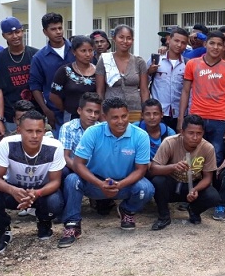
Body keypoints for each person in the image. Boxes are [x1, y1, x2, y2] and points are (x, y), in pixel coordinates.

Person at [58, 98, 155, 247]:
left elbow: (141, 169)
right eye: (115, 117)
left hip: (124, 183)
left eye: (124, 116)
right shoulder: (93, 132)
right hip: (95, 182)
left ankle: (127, 210)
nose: (121, 121)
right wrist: (100, 184)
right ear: (105, 117)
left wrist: (120, 184)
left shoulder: (140, 135)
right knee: (72, 180)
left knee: (146, 189)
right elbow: (78, 164)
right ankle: (72, 224)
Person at [0, 110, 65, 254]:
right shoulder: (7, 144)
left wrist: (37, 193)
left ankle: (44, 221)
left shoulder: (55, 146)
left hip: (40, 191)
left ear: (44, 131)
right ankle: (1, 231)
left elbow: (55, 182)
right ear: (19, 130)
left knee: (55, 201)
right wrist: (12, 190)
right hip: (13, 190)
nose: (34, 136)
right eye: (29, 131)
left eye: (39, 131)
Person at [148, 114, 221, 229]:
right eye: (191, 133)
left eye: (199, 133)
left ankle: (194, 210)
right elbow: (153, 169)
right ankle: (164, 216)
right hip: (172, 183)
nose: (195, 137)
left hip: (192, 185)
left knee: (213, 196)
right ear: (182, 132)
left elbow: (208, 177)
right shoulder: (170, 142)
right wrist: (173, 167)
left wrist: (195, 189)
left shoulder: (208, 148)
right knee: (158, 181)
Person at [179, 31, 225, 167]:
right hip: (196, 117)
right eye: (212, 43)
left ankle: (213, 181)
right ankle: (195, 181)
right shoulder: (192, 64)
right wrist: (181, 118)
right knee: (194, 155)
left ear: (223, 46)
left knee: (217, 155)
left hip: (220, 119)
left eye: (219, 44)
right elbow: (185, 91)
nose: (215, 47)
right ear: (205, 44)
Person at [29, 13, 74, 133]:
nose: (58, 32)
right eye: (53, 29)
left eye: (60, 28)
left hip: (79, 110)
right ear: (45, 32)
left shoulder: (76, 50)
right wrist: (46, 111)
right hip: (55, 113)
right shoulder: (39, 58)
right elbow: (35, 86)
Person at [0, 17, 39, 134]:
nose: (15, 36)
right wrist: (0, 119)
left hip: (36, 114)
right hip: (10, 117)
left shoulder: (36, 55)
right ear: (4, 36)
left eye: (17, 32)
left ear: (22, 31)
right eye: (10, 33)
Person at [96, 25, 149, 120]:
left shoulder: (139, 62)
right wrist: (101, 114)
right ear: (114, 39)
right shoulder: (105, 60)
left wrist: (146, 113)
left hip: (135, 111)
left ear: (132, 40)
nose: (125, 41)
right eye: (121, 37)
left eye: (129, 38)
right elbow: (100, 91)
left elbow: (144, 90)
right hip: (111, 112)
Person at [148, 27, 188, 131]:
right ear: (169, 40)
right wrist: (149, 72)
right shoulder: (156, 59)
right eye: (176, 41)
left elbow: (188, 90)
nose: (179, 45)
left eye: (183, 43)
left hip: (179, 114)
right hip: (158, 112)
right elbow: (143, 83)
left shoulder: (187, 64)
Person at [49, 35, 97, 122]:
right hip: (71, 117)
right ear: (74, 52)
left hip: (94, 117)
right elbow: (53, 96)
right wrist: (67, 109)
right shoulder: (65, 71)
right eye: (83, 51)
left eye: (90, 50)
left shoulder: (98, 71)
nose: (88, 54)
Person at [59, 92, 103, 177]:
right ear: (79, 110)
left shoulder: (102, 129)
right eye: (89, 111)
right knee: (65, 173)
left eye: (96, 112)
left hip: (96, 170)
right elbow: (65, 157)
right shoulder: (68, 127)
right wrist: (84, 172)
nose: (93, 115)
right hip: (74, 168)